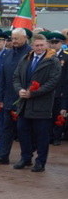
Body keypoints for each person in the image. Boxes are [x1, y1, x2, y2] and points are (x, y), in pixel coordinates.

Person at [12, 33, 62, 172]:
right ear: (32, 46)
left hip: (42, 104)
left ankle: (40, 162)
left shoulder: (53, 60)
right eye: (36, 45)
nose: (39, 48)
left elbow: (53, 82)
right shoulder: (26, 58)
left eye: (42, 45)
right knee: (23, 132)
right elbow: (16, 77)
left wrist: (33, 93)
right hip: (24, 104)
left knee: (41, 135)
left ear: (46, 45)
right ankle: (25, 158)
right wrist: (19, 90)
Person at [0, 28, 31, 165]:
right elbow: (3, 76)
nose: (14, 41)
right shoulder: (8, 54)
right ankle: (3, 155)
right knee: (7, 128)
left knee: (22, 129)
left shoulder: (29, 53)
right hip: (8, 97)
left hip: (23, 98)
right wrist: (0, 97)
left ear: (25, 38)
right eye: (12, 38)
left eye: (17, 38)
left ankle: (26, 158)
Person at [46, 32, 68, 145]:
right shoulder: (47, 56)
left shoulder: (66, 56)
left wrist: (64, 92)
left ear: (61, 43)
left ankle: (57, 136)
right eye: (52, 42)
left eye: (56, 42)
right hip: (48, 91)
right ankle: (49, 136)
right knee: (48, 114)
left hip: (60, 91)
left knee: (58, 114)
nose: (54, 45)